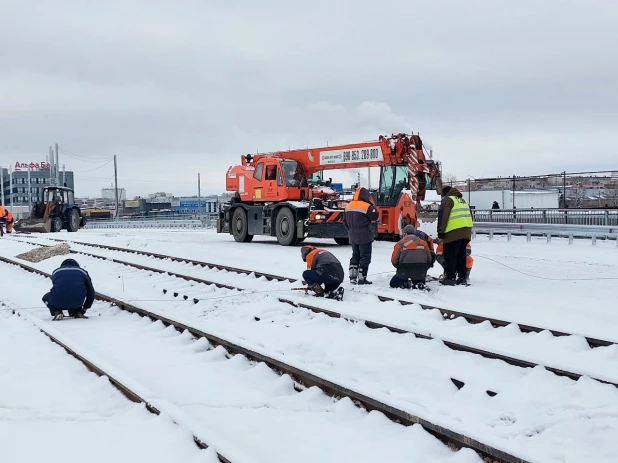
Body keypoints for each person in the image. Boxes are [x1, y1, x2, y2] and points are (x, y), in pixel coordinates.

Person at [437, 186, 473, 286]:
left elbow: (443, 215)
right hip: (466, 232)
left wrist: (441, 231)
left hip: (453, 232)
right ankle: (462, 278)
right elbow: (470, 216)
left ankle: (450, 278)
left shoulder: (448, 200)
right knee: (461, 255)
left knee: (450, 255)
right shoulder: (463, 201)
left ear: (445, 194)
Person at [343, 187, 379, 285]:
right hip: (365, 236)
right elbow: (375, 216)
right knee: (365, 256)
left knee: (355, 255)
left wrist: (351, 230)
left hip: (353, 236)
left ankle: (353, 277)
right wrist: (373, 206)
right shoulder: (366, 206)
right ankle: (362, 278)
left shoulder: (348, 206)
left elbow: (345, 222)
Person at [390, 224, 434, 289]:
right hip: (420, 271)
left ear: (405, 233)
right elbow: (429, 259)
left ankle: (405, 284)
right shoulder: (424, 243)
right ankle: (419, 283)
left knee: (393, 283)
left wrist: (399, 268)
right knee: (418, 278)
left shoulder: (400, 244)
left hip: (404, 271)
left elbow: (394, 260)